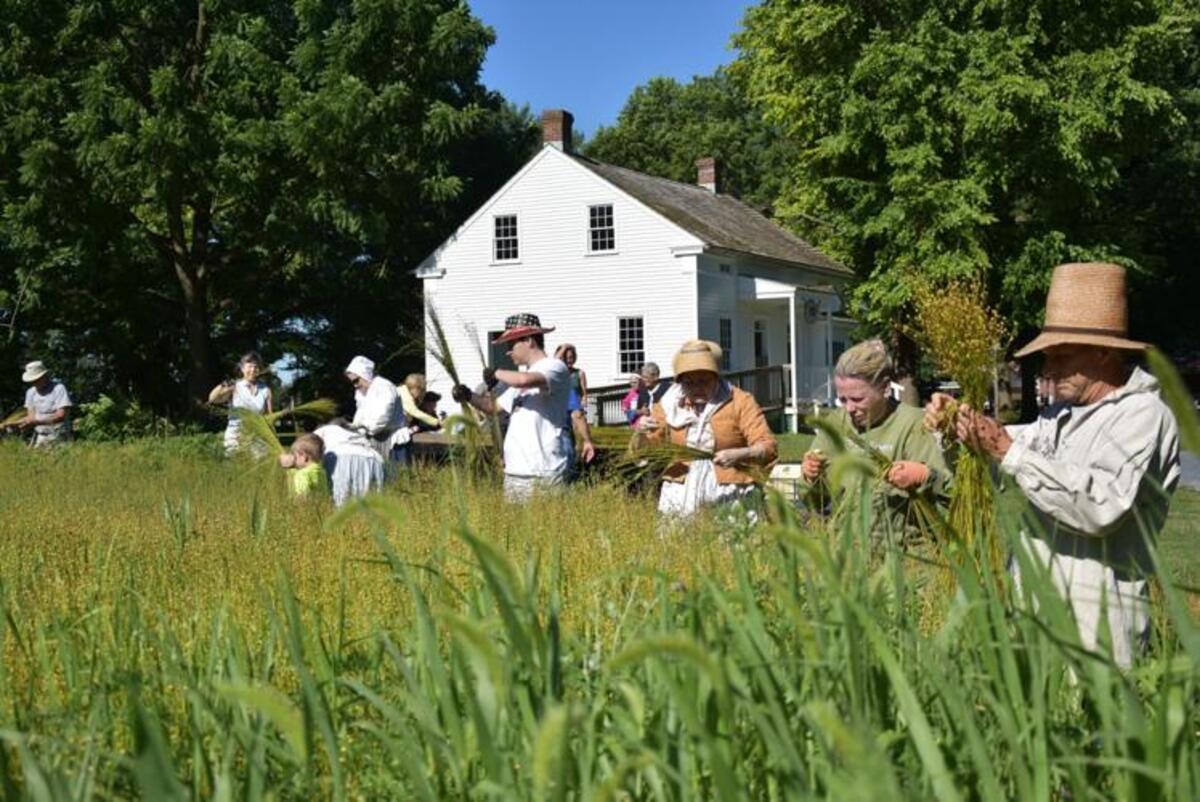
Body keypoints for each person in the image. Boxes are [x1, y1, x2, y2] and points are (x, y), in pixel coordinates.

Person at [924, 262, 1180, 667]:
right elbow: (998, 462)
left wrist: (1008, 451)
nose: (1047, 369)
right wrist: (959, 429)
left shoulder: (1142, 415)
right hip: (1036, 611)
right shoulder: (1058, 414)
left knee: (1097, 725)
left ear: (1103, 352)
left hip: (1097, 625)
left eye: (1061, 355)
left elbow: (1101, 507)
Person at [801, 340, 950, 542]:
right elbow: (815, 501)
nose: (849, 409)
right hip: (849, 550)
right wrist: (812, 477)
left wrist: (925, 476)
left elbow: (950, 493)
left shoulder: (913, 423)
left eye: (857, 399)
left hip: (905, 552)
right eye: (842, 399)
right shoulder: (835, 424)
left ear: (885, 388)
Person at [635, 339, 777, 518]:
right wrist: (640, 432)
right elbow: (646, 451)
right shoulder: (669, 404)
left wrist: (740, 454)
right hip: (680, 491)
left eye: (704, 381)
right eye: (689, 383)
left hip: (730, 492)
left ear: (716, 378)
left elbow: (768, 446)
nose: (697, 388)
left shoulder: (739, 401)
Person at [453, 313, 573, 501]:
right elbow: (492, 407)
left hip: (543, 471)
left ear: (529, 340)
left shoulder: (554, 366)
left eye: (511, 344)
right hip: (515, 471)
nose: (508, 351)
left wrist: (497, 372)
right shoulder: (520, 381)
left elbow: (523, 380)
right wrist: (468, 395)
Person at [345, 356, 410, 470]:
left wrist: (364, 429)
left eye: (356, 380)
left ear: (365, 375)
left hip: (393, 442)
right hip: (376, 439)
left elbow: (382, 417)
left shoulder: (384, 387)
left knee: (397, 476)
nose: (355, 385)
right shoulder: (362, 392)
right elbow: (361, 414)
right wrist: (355, 428)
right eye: (352, 382)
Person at [209, 352, 273, 455]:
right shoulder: (235, 386)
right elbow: (213, 399)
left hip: (257, 436)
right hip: (235, 436)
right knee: (235, 465)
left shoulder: (266, 390)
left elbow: (269, 416)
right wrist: (223, 385)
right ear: (242, 369)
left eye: (256, 367)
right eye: (250, 366)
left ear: (259, 369)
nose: (253, 369)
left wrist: (270, 435)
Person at [313, 421, 385, 506]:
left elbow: (309, 447)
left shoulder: (322, 431)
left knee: (341, 500)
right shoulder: (353, 434)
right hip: (374, 457)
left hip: (341, 456)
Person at [19, 361, 73, 447]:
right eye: (32, 381)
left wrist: (36, 422)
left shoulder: (59, 389)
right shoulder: (30, 392)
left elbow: (60, 416)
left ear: (44, 376)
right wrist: (21, 424)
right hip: (40, 435)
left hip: (59, 435)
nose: (34, 382)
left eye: (37, 380)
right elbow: (31, 416)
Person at [278, 433, 328, 499]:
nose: (294, 459)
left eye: (295, 456)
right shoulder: (321, 471)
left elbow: (302, 498)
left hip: (306, 508)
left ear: (303, 456)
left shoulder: (302, 474)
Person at [556, 343, 588, 409]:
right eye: (566, 358)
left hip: (576, 409)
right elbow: (555, 361)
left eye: (571, 357)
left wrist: (584, 401)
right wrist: (564, 347)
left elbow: (584, 394)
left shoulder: (580, 373)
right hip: (561, 410)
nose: (569, 360)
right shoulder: (558, 374)